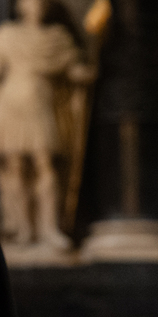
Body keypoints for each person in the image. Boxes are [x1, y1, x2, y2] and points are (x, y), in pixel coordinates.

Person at [0, 0, 90, 249]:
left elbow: (74, 71)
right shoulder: (7, 36)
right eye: (29, 1)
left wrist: (91, 65)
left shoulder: (56, 38)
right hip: (10, 103)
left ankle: (49, 228)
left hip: (40, 104)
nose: (35, 6)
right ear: (19, 6)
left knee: (45, 163)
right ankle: (21, 228)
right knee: (14, 165)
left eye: (40, 1)